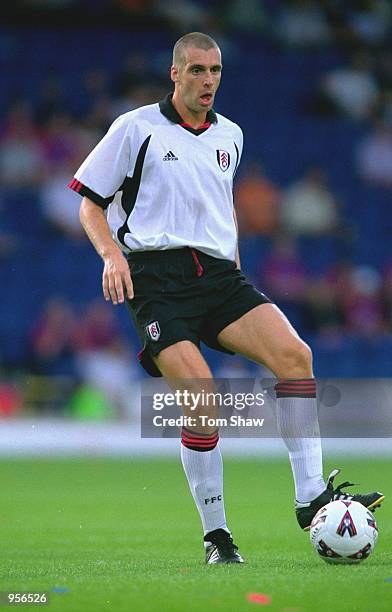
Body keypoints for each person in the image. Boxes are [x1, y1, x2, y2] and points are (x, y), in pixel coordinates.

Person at [69, 32, 384, 565]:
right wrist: (111, 257)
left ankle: (310, 497)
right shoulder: (135, 128)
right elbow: (89, 205)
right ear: (175, 73)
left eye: (215, 70)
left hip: (217, 276)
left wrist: (235, 269)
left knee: (296, 356)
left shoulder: (231, 136)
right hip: (156, 279)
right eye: (196, 70)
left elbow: (220, 208)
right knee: (202, 397)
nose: (208, 80)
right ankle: (217, 537)